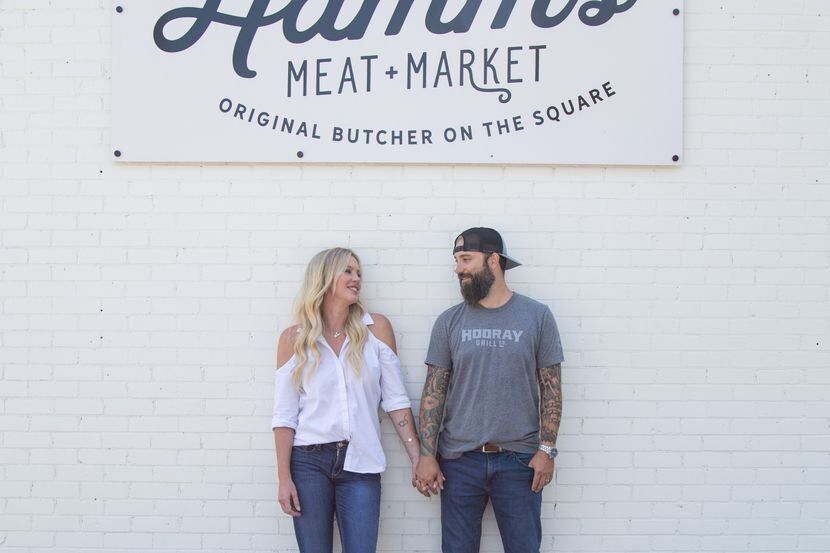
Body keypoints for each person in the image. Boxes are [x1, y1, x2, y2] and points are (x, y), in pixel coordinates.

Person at [414, 227, 564, 553]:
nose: (458, 269)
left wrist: (547, 450)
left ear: (493, 260)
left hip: (520, 461)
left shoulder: (537, 317)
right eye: (456, 261)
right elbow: (433, 393)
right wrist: (427, 455)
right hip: (459, 461)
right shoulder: (449, 322)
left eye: (466, 259)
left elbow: (551, 389)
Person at [272, 247, 422, 553]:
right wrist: (284, 479)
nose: (356, 278)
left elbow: (395, 401)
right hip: (308, 464)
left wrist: (418, 457)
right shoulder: (294, 339)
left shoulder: (376, 329)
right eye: (348, 271)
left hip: (361, 462)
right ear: (325, 278)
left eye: (359, 273)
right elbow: (284, 417)